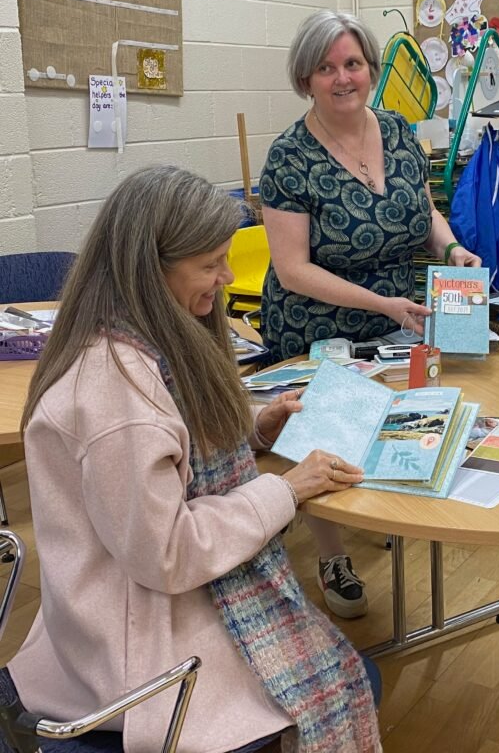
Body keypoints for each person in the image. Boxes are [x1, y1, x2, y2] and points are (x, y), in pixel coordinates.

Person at [6, 166, 381, 753]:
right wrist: (285, 489)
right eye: (210, 264)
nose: (227, 277)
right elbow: (170, 552)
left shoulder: (135, 338)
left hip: (127, 609)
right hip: (137, 649)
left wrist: (255, 429)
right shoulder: (115, 394)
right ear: (149, 269)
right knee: (334, 683)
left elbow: (168, 453)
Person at [258, 11, 481, 616]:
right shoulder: (289, 157)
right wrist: (381, 303)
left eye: (352, 63)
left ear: (371, 69)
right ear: (306, 78)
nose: (341, 78)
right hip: (316, 324)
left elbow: (426, 211)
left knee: (414, 415)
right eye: (325, 68)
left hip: (398, 317)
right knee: (324, 436)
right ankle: (331, 552)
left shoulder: (400, 131)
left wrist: (452, 246)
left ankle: (382, 495)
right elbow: (292, 269)